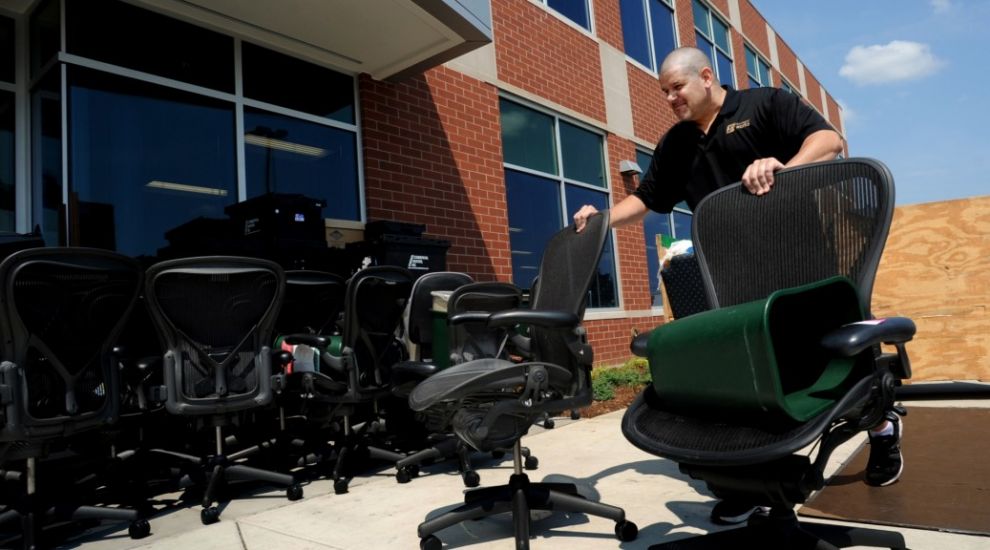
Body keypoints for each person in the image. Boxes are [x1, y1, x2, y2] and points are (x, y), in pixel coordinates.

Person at [573, 46, 903, 525]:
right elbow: (647, 200)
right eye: (664, 92)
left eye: (676, 88)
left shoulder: (765, 105)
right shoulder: (676, 144)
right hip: (733, 281)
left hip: (801, 267)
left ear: (706, 77)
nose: (670, 98)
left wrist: (783, 166)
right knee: (750, 382)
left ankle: (882, 428)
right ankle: (753, 480)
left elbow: (829, 141)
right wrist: (602, 219)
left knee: (837, 364)